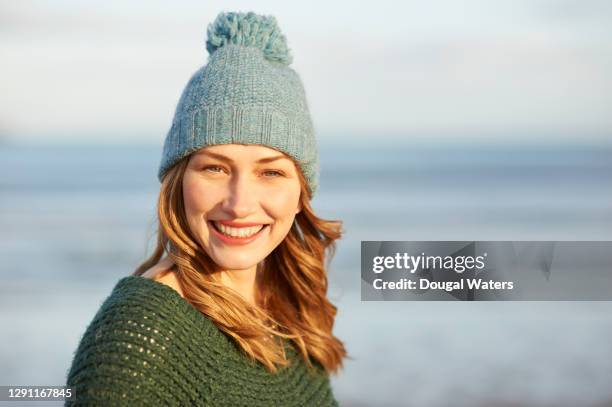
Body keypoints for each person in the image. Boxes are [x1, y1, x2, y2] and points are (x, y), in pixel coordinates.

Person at [64, 10, 347, 406]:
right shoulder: (141, 330)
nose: (240, 204)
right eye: (215, 168)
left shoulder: (288, 310)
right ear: (178, 179)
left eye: (270, 173)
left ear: (301, 193)